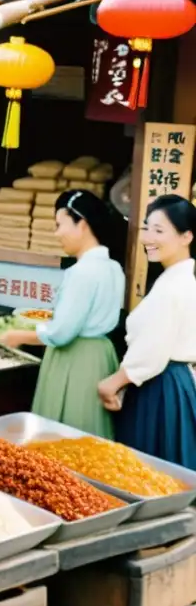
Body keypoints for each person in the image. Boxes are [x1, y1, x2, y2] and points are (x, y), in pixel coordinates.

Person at [0, 190, 126, 438]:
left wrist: (18, 336)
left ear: (83, 224)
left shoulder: (82, 272)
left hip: (74, 358)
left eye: (60, 225)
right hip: (100, 356)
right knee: (91, 432)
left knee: (65, 434)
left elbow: (61, 333)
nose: (57, 234)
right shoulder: (113, 268)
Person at [98, 195, 196, 468]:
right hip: (176, 384)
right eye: (146, 228)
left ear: (186, 236)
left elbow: (152, 351)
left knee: (148, 471)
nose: (147, 238)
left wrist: (113, 382)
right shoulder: (181, 279)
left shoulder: (173, 287)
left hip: (160, 387)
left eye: (159, 230)